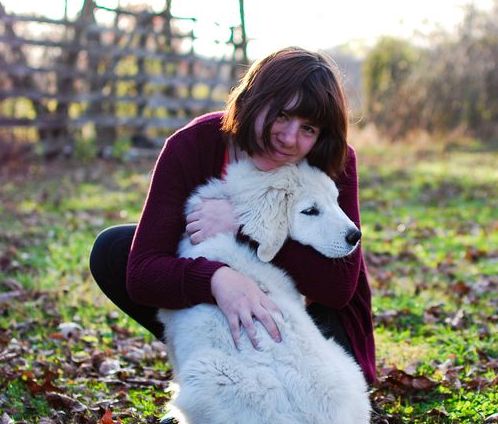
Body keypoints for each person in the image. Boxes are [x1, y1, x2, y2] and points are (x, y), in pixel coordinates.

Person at [89, 46, 375, 384]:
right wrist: (217, 280)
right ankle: (212, 371)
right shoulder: (192, 146)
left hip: (318, 336)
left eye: (308, 129)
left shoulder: (333, 161)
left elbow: (338, 288)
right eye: (282, 115)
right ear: (254, 98)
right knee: (115, 249)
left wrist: (246, 225)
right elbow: (142, 274)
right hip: (224, 315)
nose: (289, 138)